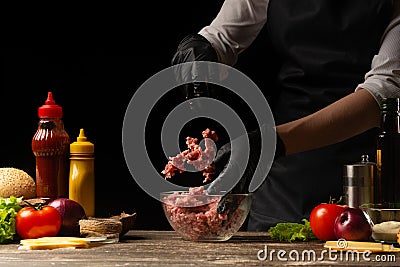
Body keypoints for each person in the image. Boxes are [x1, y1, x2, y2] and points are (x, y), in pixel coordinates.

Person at [171, 0, 400, 231]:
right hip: (287, 172)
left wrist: (272, 143)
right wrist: (203, 48)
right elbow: (224, 36)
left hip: (367, 167)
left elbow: (385, 92)